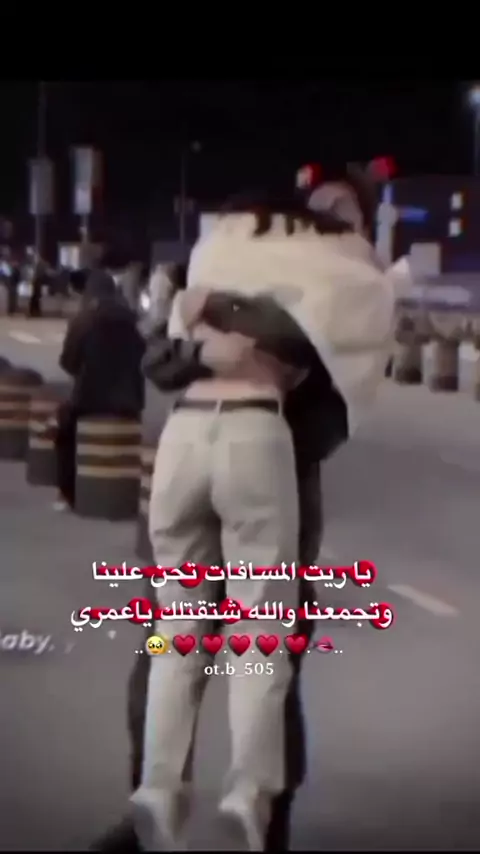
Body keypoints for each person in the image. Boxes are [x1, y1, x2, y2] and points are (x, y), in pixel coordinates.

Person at [91, 174, 392, 853]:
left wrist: (216, 316)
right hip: (230, 456)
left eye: (343, 209)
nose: (326, 219)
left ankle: (262, 820)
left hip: (269, 476)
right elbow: (161, 362)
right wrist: (209, 344)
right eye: (319, 207)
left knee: (261, 654)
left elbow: (321, 401)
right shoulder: (262, 272)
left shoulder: (345, 297)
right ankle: (157, 805)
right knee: (174, 645)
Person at [53, 269, 145, 511]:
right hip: (130, 401)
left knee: (65, 434)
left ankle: (67, 493)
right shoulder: (132, 320)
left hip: (90, 401)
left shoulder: (84, 320)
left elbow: (68, 362)